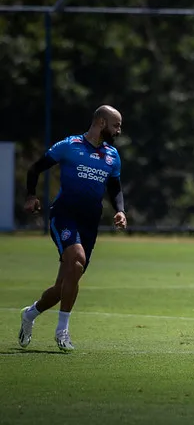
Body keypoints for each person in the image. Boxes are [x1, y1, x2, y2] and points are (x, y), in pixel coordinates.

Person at [19, 105, 127, 352]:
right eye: (116, 125)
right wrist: (30, 196)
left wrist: (120, 210)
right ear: (101, 122)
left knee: (64, 285)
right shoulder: (69, 145)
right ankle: (62, 332)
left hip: (90, 222)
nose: (119, 130)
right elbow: (36, 168)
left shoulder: (112, 155)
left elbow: (115, 187)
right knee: (76, 260)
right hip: (64, 215)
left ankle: (30, 314)